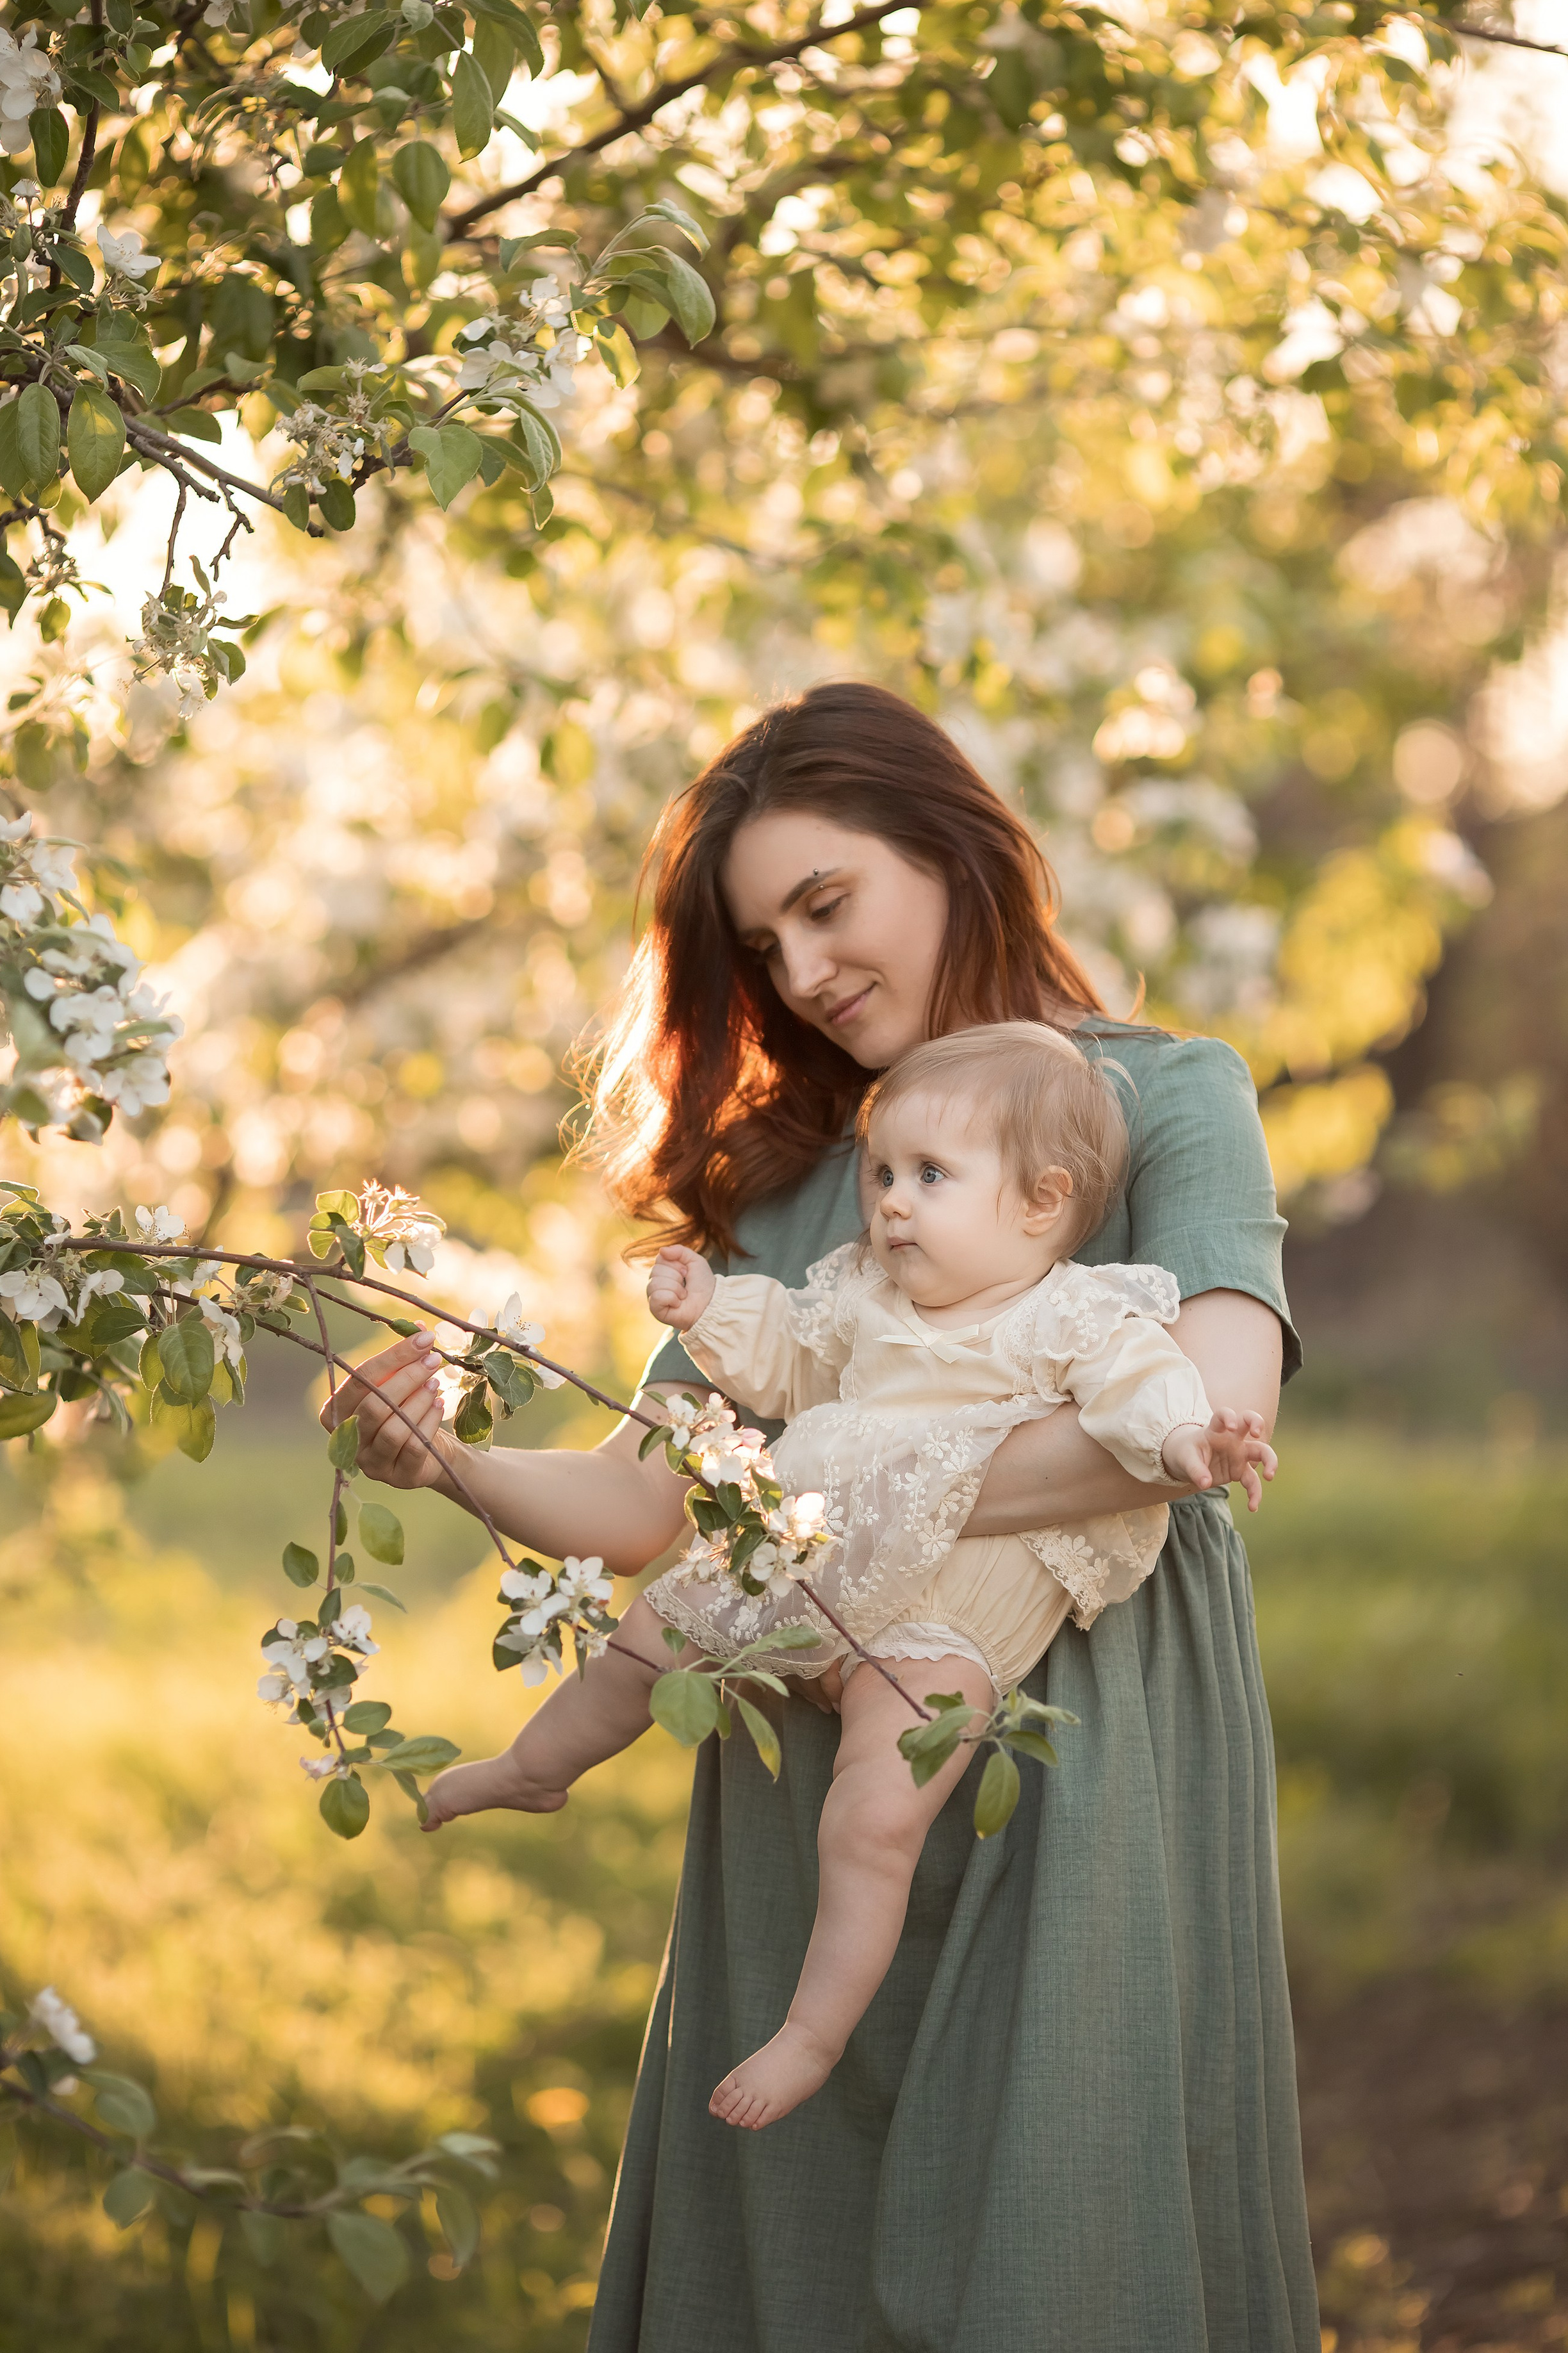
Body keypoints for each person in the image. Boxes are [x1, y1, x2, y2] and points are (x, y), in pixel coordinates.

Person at [325, 683, 1322, 2352]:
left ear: (949, 850)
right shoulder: (810, 1181)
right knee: (795, 2228)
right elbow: (653, 1495)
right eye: (762, 942)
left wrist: (816, 1492)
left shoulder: (1166, 1101)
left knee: (1070, 2207)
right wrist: (459, 1467)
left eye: (824, 904)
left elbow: (1194, 1427)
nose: (799, 972)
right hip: (802, 1745)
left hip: (1091, 1731)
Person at [419, 1021, 1278, 2137]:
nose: (892, 1204)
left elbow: (1139, 1395)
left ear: (1038, 1201)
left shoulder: (1075, 1314)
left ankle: (809, 2035)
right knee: (647, 1642)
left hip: (949, 1610)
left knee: (874, 1814)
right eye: (882, 1174)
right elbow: (790, 1358)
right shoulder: (865, 1295)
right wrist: (708, 1308)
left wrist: (1190, 1446)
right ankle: (533, 1767)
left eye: (930, 1176)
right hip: (810, 1555)